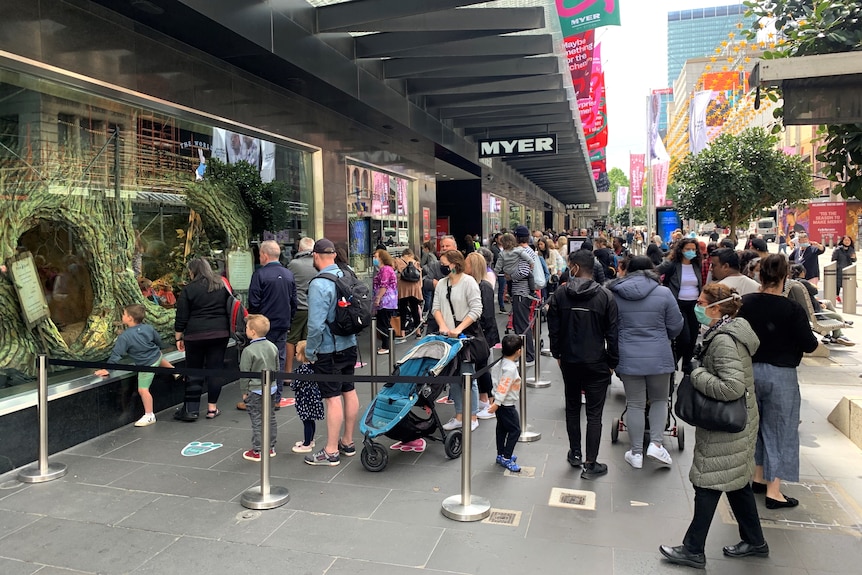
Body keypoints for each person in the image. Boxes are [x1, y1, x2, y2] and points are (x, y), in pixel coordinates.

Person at [660, 283, 767, 570]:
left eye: (701, 302)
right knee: (736, 483)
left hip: (726, 425)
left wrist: (697, 373)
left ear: (716, 308)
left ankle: (693, 549)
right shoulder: (730, 330)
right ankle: (755, 541)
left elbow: (732, 386)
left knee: (707, 483)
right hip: (740, 422)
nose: (697, 306)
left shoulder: (723, 340)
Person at [738, 254, 818, 509]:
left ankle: (757, 477)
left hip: (750, 371)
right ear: (785, 277)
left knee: (756, 427)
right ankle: (774, 491)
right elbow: (810, 344)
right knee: (781, 430)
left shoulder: (746, 303)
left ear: (759, 275)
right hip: (781, 374)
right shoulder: (792, 309)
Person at [548, 249, 619, 479]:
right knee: (594, 414)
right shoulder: (605, 296)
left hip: (569, 360)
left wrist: (558, 353)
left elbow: (554, 329)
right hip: (596, 362)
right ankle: (591, 463)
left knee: (572, 407)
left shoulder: (560, 294)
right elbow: (613, 333)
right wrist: (612, 363)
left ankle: (575, 453)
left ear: (575, 267)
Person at [607, 256, 683, 468]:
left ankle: (636, 452)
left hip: (628, 356)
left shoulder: (615, 294)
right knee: (660, 400)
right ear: (652, 270)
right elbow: (676, 326)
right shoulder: (664, 292)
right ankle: (656, 445)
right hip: (659, 355)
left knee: (635, 403)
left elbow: (610, 326)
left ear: (628, 270)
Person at [304, 238, 359, 466]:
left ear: (316, 256)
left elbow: (316, 325)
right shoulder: (348, 274)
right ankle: (348, 442)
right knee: (349, 390)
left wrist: (310, 351)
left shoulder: (319, 284)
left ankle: (331, 450)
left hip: (328, 349)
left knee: (332, 398)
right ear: (334, 255)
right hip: (350, 344)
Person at [95, 304, 175, 427]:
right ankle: (174, 371)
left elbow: (117, 355)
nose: (122, 316)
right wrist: (163, 347)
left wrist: (107, 369)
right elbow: (158, 340)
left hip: (146, 365)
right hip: (155, 356)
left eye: (124, 314)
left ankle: (149, 415)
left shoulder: (125, 336)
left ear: (130, 318)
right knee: (158, 356)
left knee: (143, 390)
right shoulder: (148, 328)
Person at [433, 249, 486, 431]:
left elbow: (476, 309)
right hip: (447, 338)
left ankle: (472, 416)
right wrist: (443, 326)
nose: (442, 267)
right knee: (453, 377)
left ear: (454, 264)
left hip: (465, 337)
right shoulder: (441, 283)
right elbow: (436, 307)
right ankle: (459, 415)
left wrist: (459, 328)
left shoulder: (468, 282)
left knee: (467, 377)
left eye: (444, 264)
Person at [174, 258, 230, 421]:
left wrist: (178, 336)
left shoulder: (189, 289)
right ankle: (212, 408)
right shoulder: (221, 285)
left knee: (194, 371)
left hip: (195, 334)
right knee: (215, 370)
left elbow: (182, 315)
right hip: (220, 333)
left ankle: (191, 409)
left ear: (193, 271)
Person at [247, 240, 296, 409]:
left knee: (260, 360)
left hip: (263, 325)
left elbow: (253, 302)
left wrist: (252, 323)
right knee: (279, 359)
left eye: (260, 254)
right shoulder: (288, 274)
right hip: (282, 323)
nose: (259, 257)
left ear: (265, 255)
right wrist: (289, 320)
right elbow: (293, 301)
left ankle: (260, 396)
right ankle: (276, 397)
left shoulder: (259, 275)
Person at [657, 237, 702, 374]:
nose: (691, 252)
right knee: (684, 337)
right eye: (688, 249)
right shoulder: (672, 264)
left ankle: (687, 365)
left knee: (693, 337)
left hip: (695, 305)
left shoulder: (696, 264)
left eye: (693, 249)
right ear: (681, 250)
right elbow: (655, 272)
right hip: (678, 304)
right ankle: (673, 361)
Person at [239, 314, 279, 461]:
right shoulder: (273, 346)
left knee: (257, 419)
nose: (245, 330)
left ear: (253, 332)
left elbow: (245, 373)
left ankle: (258, 449)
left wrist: (244, 392)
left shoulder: (248, 351)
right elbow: (277, 368)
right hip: (271, 388)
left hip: (255, 390)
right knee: (271, 417)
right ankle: (271, 446)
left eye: (247, 328)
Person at [465, 252, 500, 420]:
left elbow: (487, 314)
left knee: (483, 367)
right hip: (478, 334)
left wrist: (482, 334)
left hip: (483, 334)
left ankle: (490, 401)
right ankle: (484, 398)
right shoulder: (474, 284)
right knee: (480, 367)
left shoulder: (484, 286)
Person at [787, 264, 853, 346]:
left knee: (827, 302)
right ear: (802, 272)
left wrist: (818, 302)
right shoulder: (803, 282)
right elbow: (815, 291)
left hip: (807, 308)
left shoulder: (792, 283)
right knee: (838, 317)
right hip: (813, 312)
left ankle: (829, 334)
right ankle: (837, 335)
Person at [488, 334, 523, 473]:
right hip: (506, 404)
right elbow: (504, 386)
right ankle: (507, 457)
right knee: (515, 430)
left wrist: (494, 398)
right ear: (518, 351)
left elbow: (495, 381)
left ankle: (500, 453)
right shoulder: (511, 369)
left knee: (501, 428)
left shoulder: (500, 362)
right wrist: (498, 402)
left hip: (500, 402)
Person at [285, 237, 317, 378]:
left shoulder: (293, 264)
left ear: (300, 249)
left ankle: (287, 372)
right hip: (314, 307)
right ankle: (307, 368)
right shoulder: (317, 263)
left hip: (298, 307)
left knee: (291, 339)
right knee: (307, 339)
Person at [289, 340, 325, 453]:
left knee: (306, 421)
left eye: (297, 353)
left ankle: (307, 444)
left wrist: (292, 384)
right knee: (311, 420)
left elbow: (295, 385)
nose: (295, 355)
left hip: (305, 399)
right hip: (313, 397)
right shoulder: (313, 368)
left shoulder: (302, 370)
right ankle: (310, 439)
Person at [372, 248, 398, 354]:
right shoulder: (385, 269)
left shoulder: (385, 270)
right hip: (387, 301)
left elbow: (384, 285)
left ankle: (386, 345)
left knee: (383, 323)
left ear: (381, 258)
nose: (374, 258)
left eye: (376, 256)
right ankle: (389, 342)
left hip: (386, 301)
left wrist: (378, 298)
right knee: (385, 322)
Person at [393, 248, 423, 337]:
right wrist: (419, 288)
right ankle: (418, 331)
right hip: (414, 289)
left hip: (402, 289)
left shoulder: (397, 261)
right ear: (411, 254)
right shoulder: (416, 262)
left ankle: (402, 332)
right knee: (415, 310)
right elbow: (420, 278)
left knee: (402, 311)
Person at [832, 235, 856, 301]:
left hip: (849, 269)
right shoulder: (838, 249)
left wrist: (854, 258)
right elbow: (833, 260)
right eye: (845, 240)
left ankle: (849, 297)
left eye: (849, 240)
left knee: (849, 284)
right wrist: (837, 267)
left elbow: (854, 260)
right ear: (842, 241)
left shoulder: (851, 249)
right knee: (838, 284)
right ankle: (836, 296)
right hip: (839, 269)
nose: (847, 242)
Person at [420, 241, 438, 314]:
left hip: (427, 278)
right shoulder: (434, 256)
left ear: (426, 248)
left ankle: (425, 312)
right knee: (431, 296)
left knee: (427, 296)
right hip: (434, 278)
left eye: (423, 248)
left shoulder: (426, 254)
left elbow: (422, 264)